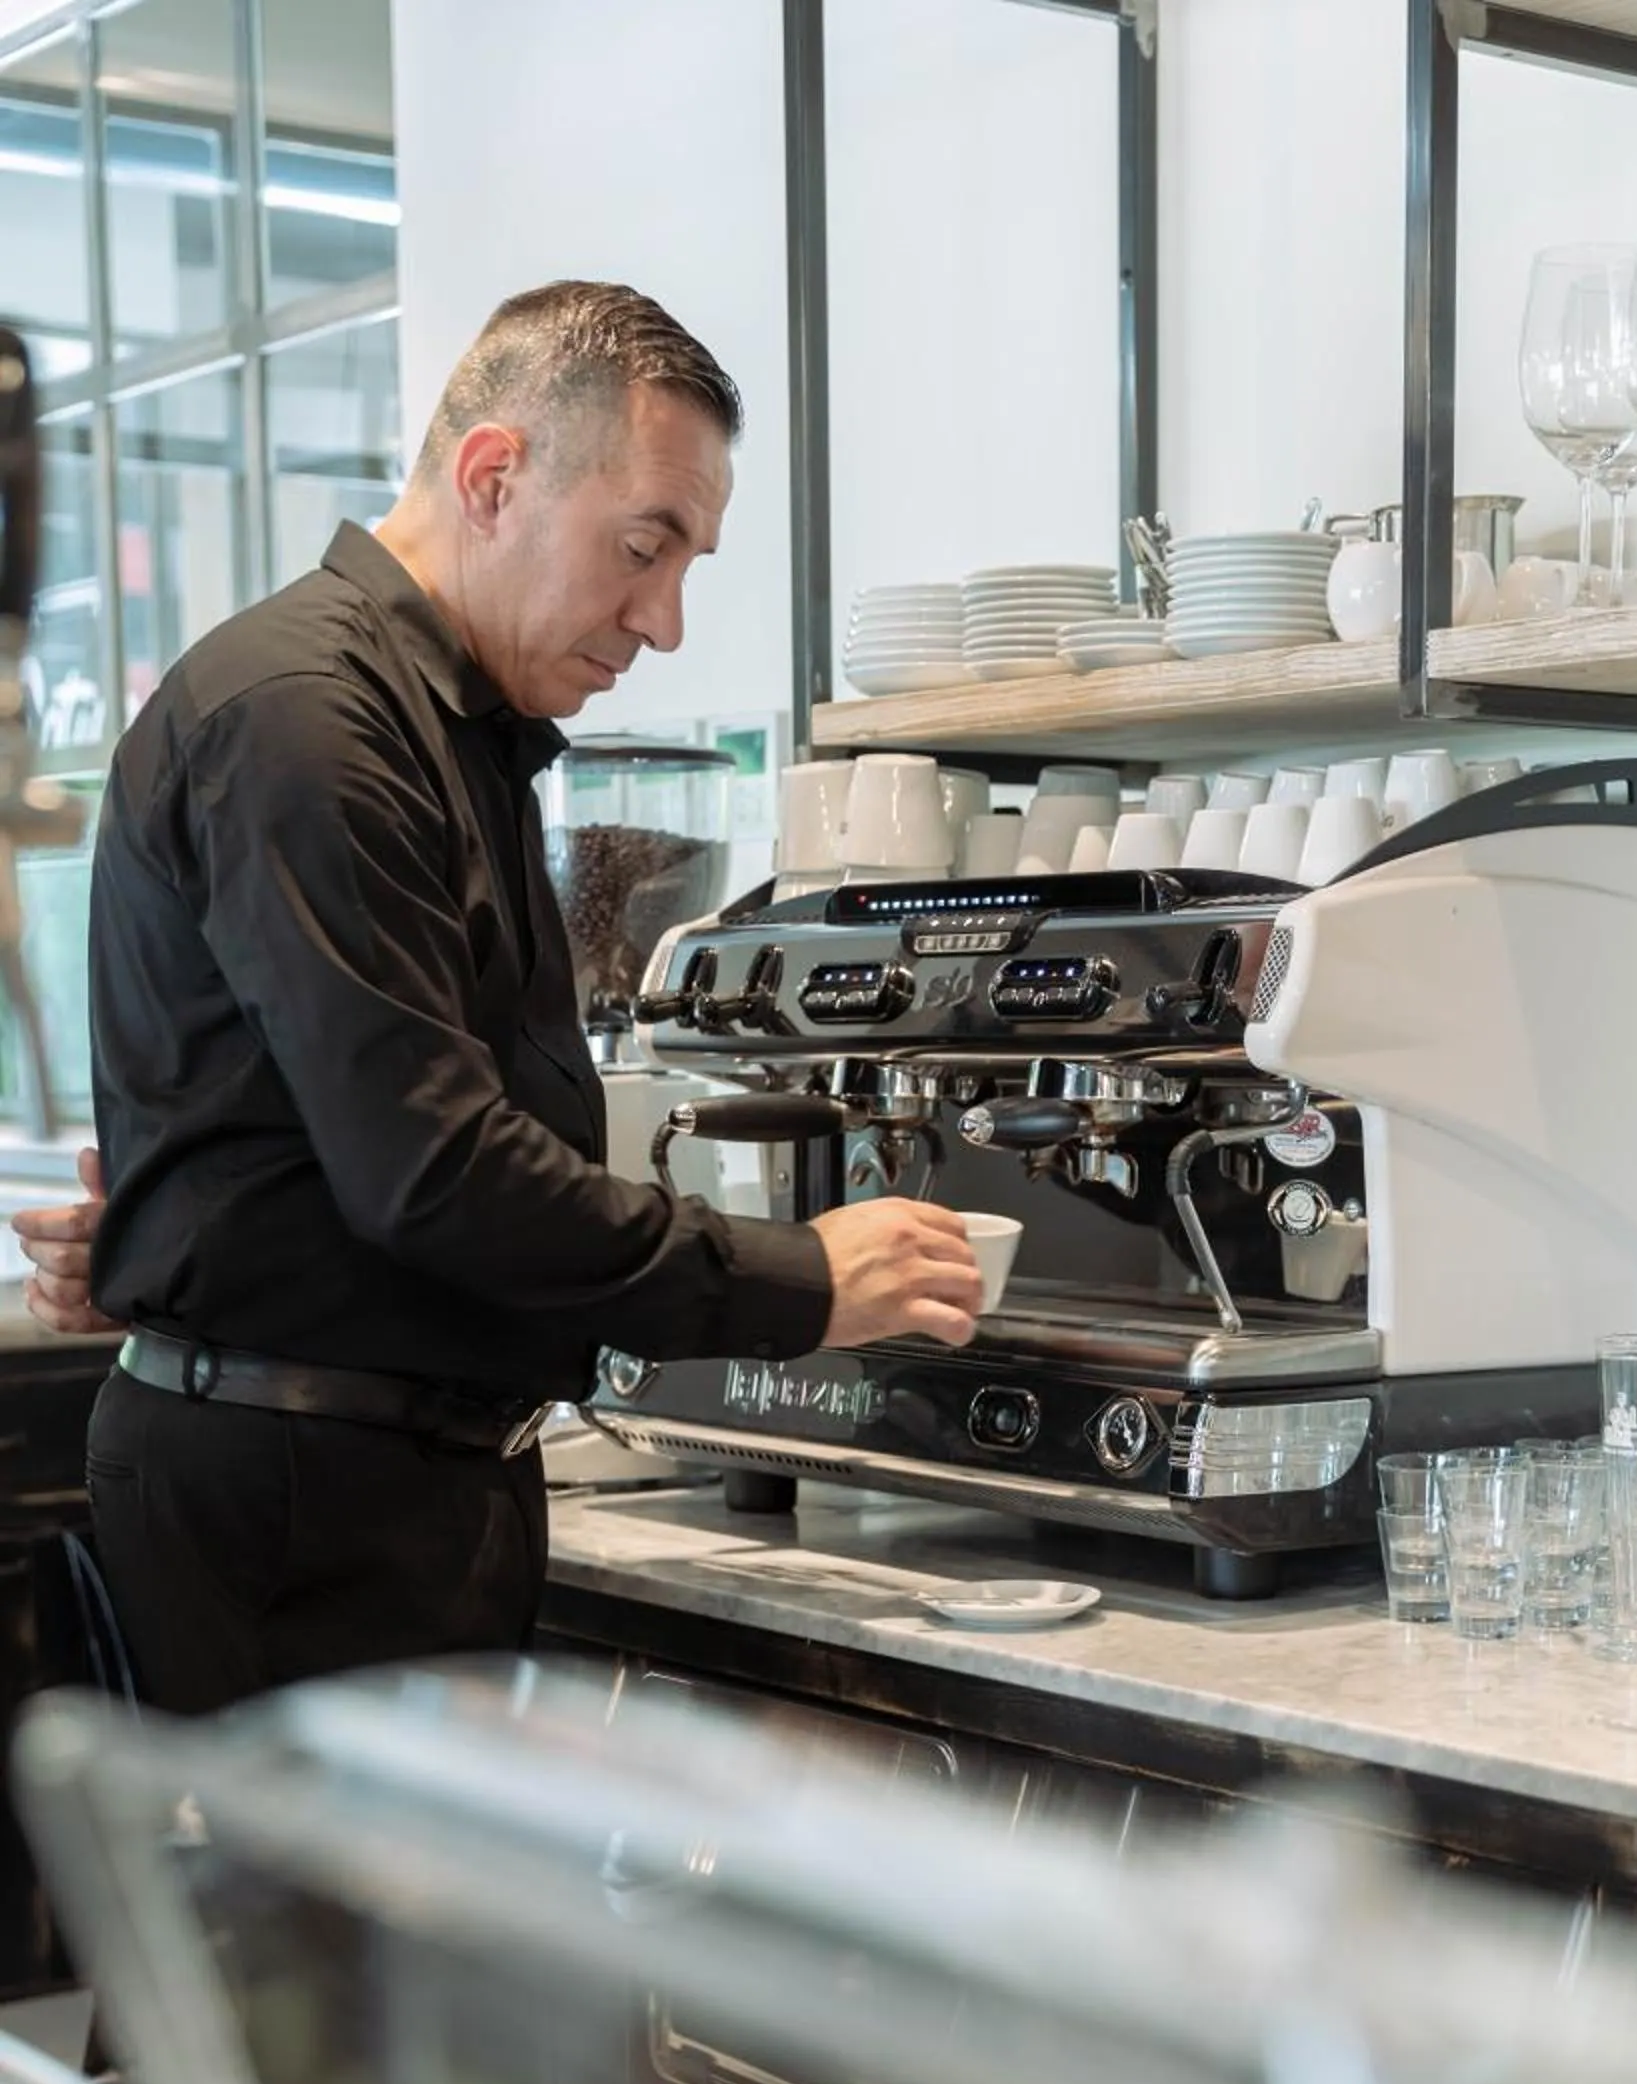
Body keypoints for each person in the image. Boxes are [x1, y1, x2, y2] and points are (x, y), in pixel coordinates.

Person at [12, 281, 981, 1718]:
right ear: (492, 477)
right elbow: (436, 1169)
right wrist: (803, 1279)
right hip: (308, 1511)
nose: (659, 618)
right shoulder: (307, 723)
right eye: (643, 550)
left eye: (686, 567)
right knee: (317, 1952)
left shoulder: (458, 733)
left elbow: (317, 1138)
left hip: (387, 1484)